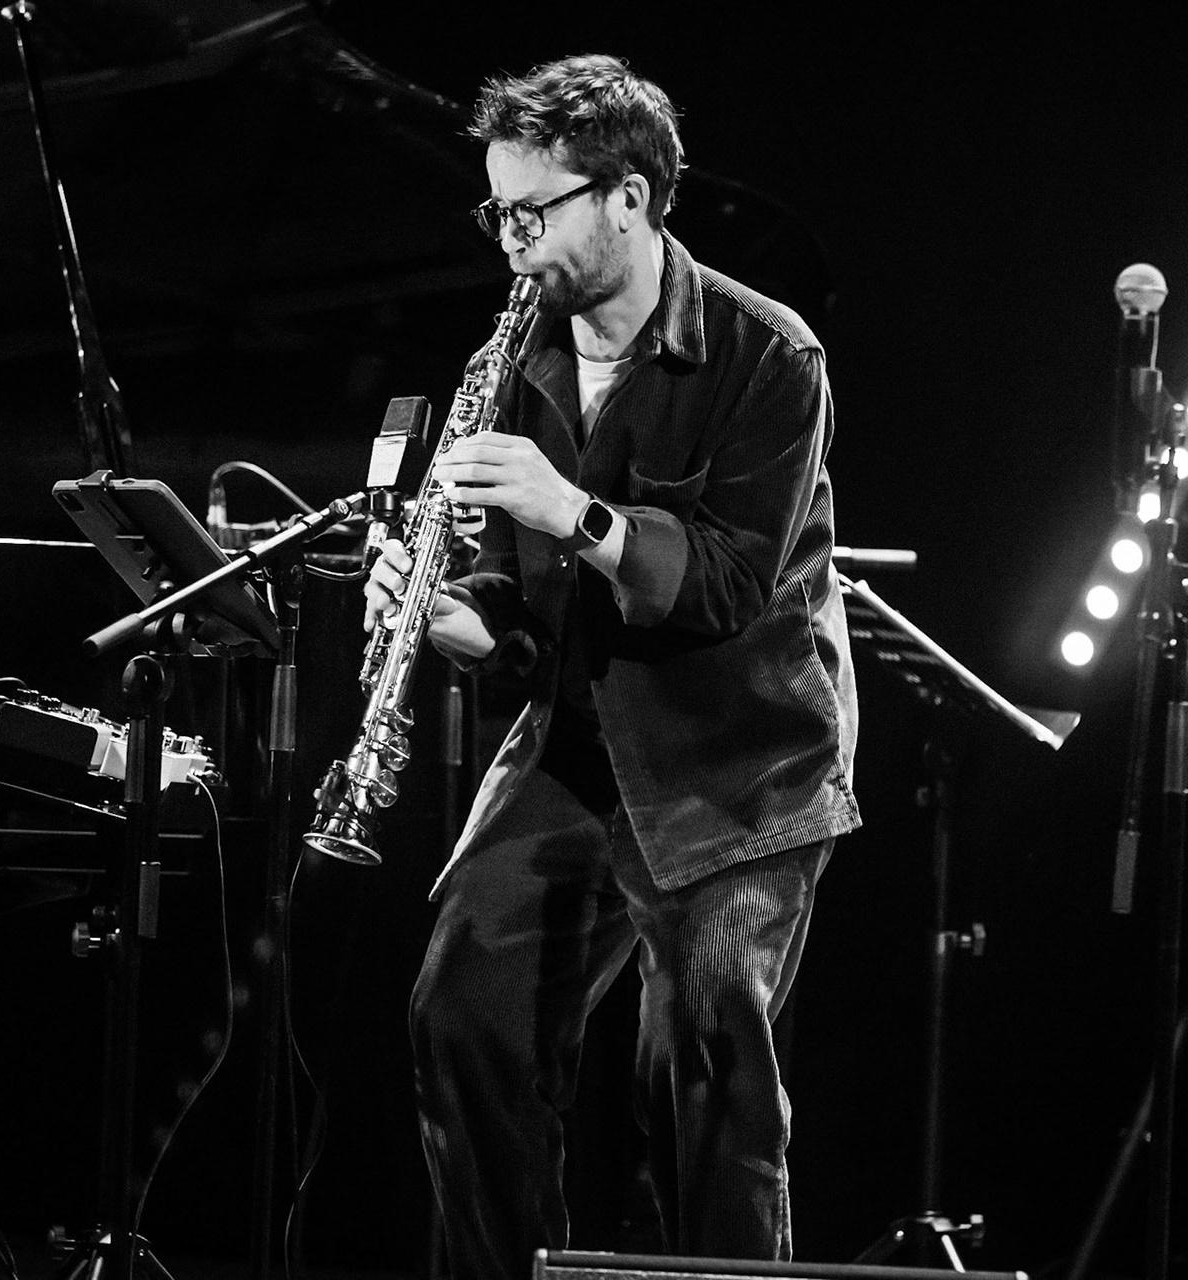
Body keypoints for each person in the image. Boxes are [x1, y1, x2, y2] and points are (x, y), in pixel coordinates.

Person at [361, 54, 860, 1280]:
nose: (511, 240)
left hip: (740, 751)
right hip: (584, 735)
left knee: (697, 1058)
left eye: (535, 212)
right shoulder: (516, 350)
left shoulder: (767, 355)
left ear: (630, 198)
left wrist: (576, 512)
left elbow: (735, 583)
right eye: (499, 213)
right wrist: (459, 618)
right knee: (460, 1008)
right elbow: (521, 600)